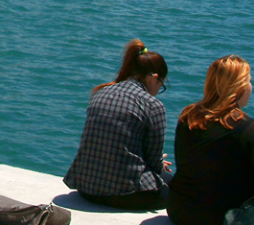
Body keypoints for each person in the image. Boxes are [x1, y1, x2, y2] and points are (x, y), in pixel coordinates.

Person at [168, 55, 254, 225]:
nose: (251, 86)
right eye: (249, 81)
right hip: (221, 220)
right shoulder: (249, 128)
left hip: (179, 210)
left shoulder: (188, 116)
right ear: (239, 87)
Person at [64, 38, 173, 210]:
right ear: (154, 78)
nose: (158, 91)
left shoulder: (101, 92)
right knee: (174, 185)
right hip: (124, 194)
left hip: (85, 188)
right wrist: (160, 163)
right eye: (161, 85)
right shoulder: (153, 106)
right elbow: (153, 164)